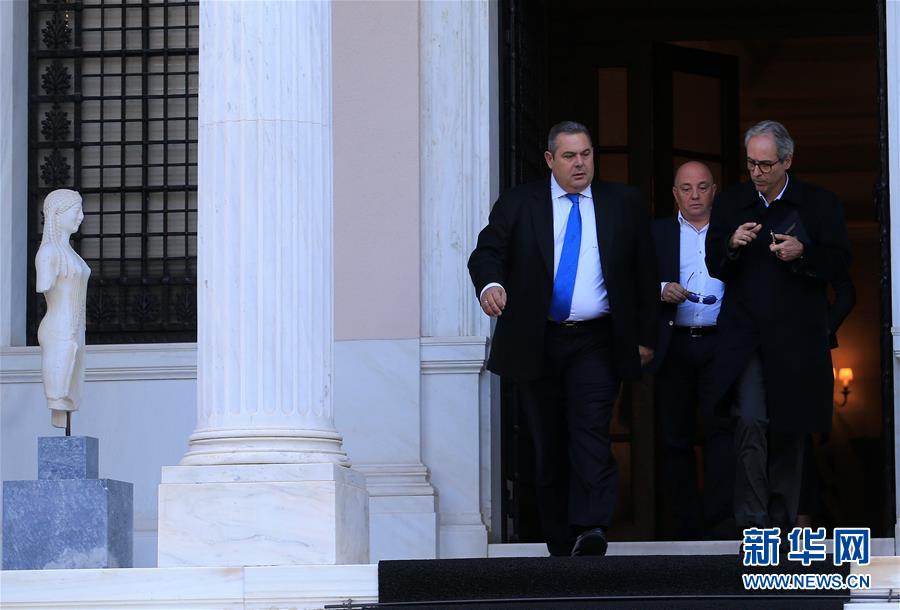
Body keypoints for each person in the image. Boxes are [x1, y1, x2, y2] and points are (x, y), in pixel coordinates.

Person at [468, 120, 658, 556]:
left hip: (597, 339)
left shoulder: (622, 202)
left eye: (586, 154)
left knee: (591, 431)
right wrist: (491, 285)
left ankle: (591, 528)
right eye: (570, 156)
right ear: (550, 160)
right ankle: (559, 540)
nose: (580, 164)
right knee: (549, 440)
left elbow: (645, 271)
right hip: (539, 340)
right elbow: (487, 252)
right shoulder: (520, 203)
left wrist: (645, 336)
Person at [704, 120, 851, 536]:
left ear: (787, 161)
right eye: (751, 163)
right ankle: (754, 525)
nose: (757, 172)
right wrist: (731, 244)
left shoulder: (819, 204)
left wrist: (803, 252)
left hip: (796, 338)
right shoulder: (732, 202)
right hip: (746, 337)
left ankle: (783, 525)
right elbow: (714, 263)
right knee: (750, 421)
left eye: (766, 165)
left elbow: (840, 264)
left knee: (790, 428)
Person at [648, 161, 734, 540]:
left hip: (720, 343)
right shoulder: (657, 233)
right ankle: (685, 527)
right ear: (674, 194)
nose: (695, 195)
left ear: (714, 190)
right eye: (686, 188)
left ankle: (720, 524)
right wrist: (661, 288)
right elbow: (630, 277)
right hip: (675, 344)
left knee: (722, 433)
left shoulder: (731, 230)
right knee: (674, 438)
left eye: (702, 187)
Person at [35, 189, 91, 431]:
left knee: (71, 387)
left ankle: (63, 410)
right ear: (57, 214)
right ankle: (58, 408)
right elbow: (44, 286)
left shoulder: (71, 253)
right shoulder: (49, 253)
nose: (81, 216)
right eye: (76, 210)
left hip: (75, 328)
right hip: (59, 327)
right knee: (60, 390)